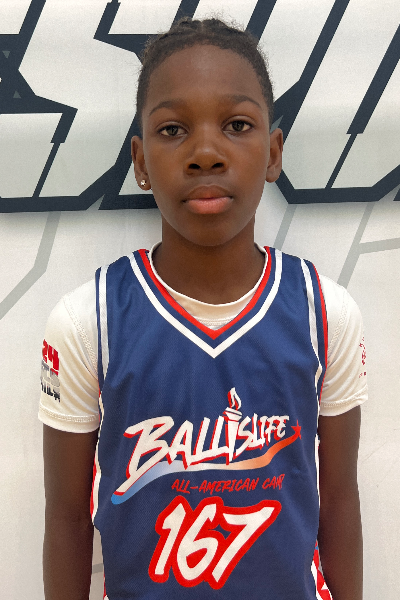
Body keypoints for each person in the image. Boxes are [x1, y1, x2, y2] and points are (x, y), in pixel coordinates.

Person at [39, 17, 367, 600]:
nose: (206, 153)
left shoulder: (324, 313)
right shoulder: (89, 320)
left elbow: (339, 501)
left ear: (273, 153)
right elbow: (66, 519)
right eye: (173, 130)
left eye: (236, 125)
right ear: (141, 162)